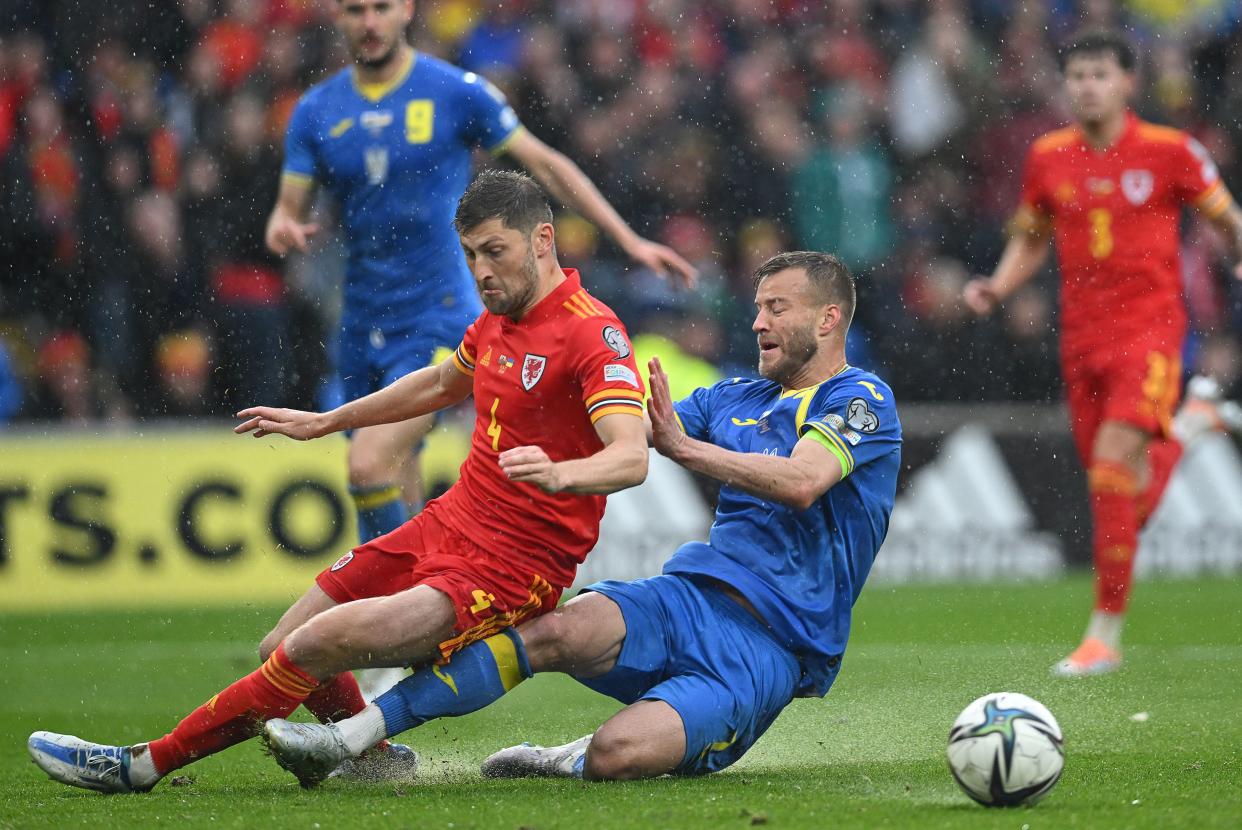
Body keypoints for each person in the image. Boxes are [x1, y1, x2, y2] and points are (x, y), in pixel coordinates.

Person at [27, 170, 651, 793]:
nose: (481, 271)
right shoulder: (498, 319)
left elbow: (631, 457)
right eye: (469, 255)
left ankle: (141, 765)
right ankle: (372, 759)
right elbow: (439, 384)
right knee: (282, 641)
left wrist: (559, 472)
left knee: (315, 644)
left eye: (495, 251)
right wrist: (328, 421)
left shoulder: (592, 334)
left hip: (512, 569)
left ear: (543, 240)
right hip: (448, 524)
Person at [259, 250, 902, 786]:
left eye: (776, 308)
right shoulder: (734, 396)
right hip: (689, 597)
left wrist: (686, 448)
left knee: (619, 756)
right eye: (757, 306)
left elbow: (804, 481)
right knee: (552, 630)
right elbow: (620, 420)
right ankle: (354, 740)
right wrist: (542, 373)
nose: (757, 320)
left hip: (771, 647)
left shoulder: (861, 397)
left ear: (829, 319)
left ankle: (570, 756)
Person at [265, 0, 693, 546]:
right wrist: (283, 221)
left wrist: (626, 237)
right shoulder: (316, 110)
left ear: (406, 11)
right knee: (394, 477)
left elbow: (544, 163)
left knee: (367, 467)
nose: (369, 23)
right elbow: (289, 204)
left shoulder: (454, 91)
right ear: (338, 18)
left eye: (381, 8)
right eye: (355, 10)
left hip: (441, 315)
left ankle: (399, 598)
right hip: (360, 320)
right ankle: (419, 604)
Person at [963, 30, 1242, 677]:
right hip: (1081, 336)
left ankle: (1103, 636)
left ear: (1127, 83)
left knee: (1115, 464)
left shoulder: (1170, 152)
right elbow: (1032, 234)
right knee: (1119, 492)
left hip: (1150, 331)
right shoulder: (1048, 157)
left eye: (1099, 75)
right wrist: (999, 285)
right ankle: (1194, 427)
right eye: (1077, 76)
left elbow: (1225, 216)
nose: (1087, 86)